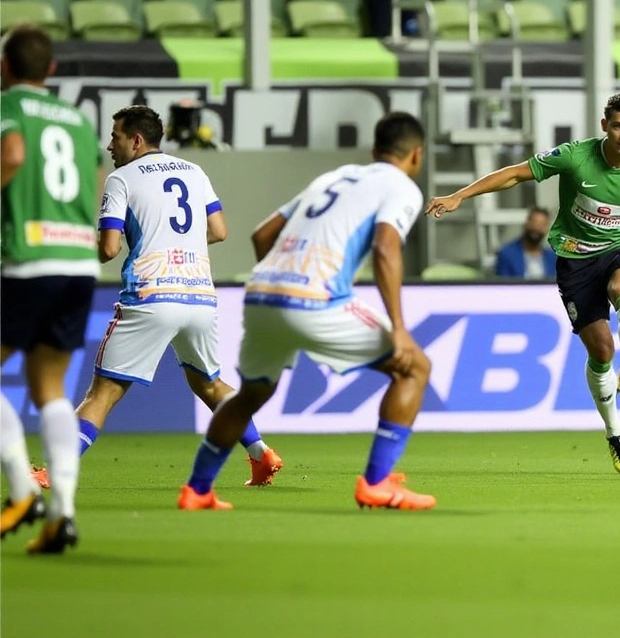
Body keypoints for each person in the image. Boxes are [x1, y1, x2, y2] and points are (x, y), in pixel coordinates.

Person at [426, 93, 620, 476]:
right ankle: (615, 432)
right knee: (601, 350)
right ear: (605, 126)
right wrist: (460, 195)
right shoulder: (575, 156)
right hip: (574, 260)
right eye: (617, 126)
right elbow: (516, 173)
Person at [177, 112, 435, 511]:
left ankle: (197, 489)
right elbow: (386, 248)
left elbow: (262, 235)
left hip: (261, 293)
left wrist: (281, 293)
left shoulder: (333, 177)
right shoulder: (401, 186)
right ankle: (377, 482)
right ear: (416, 154)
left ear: (373, 150)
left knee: (248, 396)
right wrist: (399, 328)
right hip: (317, 298)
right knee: (414, 367)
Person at [46, 105, 284, 490]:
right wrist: (177, 243)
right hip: (199, 296)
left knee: (103, 393)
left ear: (136, 141)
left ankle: (54, 471)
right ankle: (261, 454)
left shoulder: (121, 179)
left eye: (116, 137)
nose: (110, 145)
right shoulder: (194, 171)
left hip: (151, 296)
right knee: (210, 384)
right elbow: (219, 230)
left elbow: (108, 249)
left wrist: (70, 250)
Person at [0, 25, 97, 553]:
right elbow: (95, 183)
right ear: (52, 69)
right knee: (49, 388)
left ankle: (20, 491)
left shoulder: (7, 106)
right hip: (77, 261)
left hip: (29, 259)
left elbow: (12, 155)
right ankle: (61, 510)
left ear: (5, 66)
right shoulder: (81, 122)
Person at [494, 207, 557, 279]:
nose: (536, 228)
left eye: (541, 224)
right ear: (526, 223)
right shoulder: (506, 254)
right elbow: (502, 285)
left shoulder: (552, 257)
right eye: (534, 222)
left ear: (547, 228)